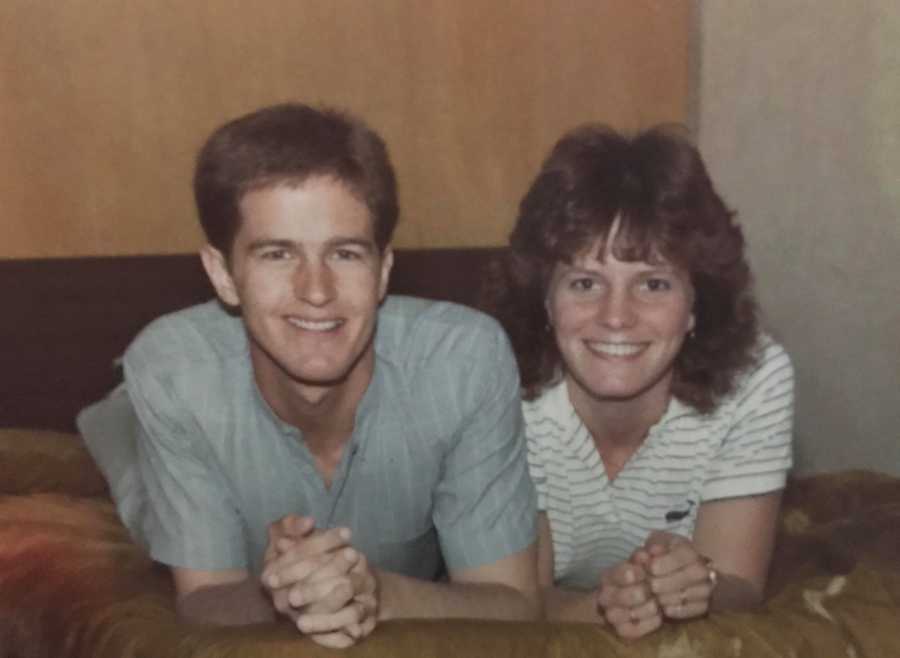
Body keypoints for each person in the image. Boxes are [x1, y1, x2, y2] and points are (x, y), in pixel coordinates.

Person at [77, 103, 539, 648]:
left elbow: (512, 604)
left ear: (384, 269)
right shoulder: (173, 371)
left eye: (344, 254)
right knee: (136, 495)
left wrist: (375, 592)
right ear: (223, 275)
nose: (316, 291)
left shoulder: (466, 361)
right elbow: (201, 600)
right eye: (277, 254)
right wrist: (280, 594)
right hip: (167, 400)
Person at [483, 124, 793, 639]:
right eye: (585, 283)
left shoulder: (757, 380)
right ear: (543, 298)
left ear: (697, 303)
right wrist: (610, 607)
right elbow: (518, 600)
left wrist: (698, 587)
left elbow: (740, 582)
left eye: (653, 283)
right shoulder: (495, 380)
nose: (617, 318)